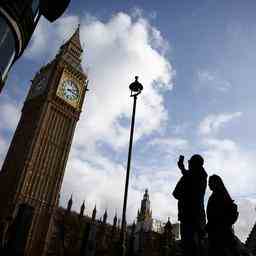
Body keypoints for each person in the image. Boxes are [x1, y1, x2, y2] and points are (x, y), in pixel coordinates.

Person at [173, 154, 208, 256]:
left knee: (194, 245)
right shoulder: (188, 176)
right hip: (187, 216)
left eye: (190, 162)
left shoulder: (199, 176)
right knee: (188, 245)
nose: (188, 163)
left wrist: (182, 169)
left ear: (195, 164)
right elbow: (175, 193)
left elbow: (178, 192)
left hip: (194, 216)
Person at [206, 174, 239, 256]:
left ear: (216, 183)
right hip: (219, 232)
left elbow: (216, 217)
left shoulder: (218, 196)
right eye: (208, 182)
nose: (209, 184)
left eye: (210, 182)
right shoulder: (218, 195)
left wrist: (207, 227)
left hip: (219, 234)